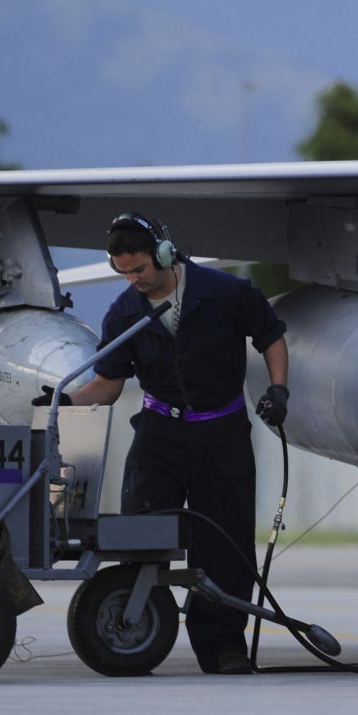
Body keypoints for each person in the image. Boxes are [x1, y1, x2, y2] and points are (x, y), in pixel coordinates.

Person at [62, 212, 290, 675]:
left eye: (139, 269)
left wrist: (279, 389)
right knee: (140, 533)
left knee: (225, 546)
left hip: (222, 434)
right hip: (159, 435)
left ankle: (222, 647)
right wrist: (63, 400)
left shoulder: (225, 293)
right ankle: (136, 630)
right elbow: (107, 385)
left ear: (164, 254)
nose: (134, 280)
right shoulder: (124, 314)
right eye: (123, 272)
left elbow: (271, 336)